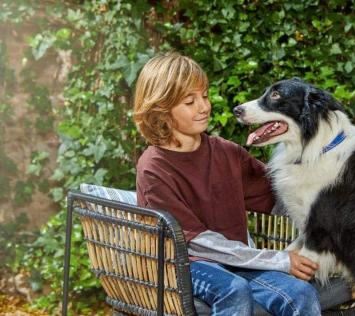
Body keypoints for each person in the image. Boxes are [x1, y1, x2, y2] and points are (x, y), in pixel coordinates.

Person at [133, 52, 322, 315]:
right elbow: (197, 243)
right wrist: (279, 260)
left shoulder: (227, 153)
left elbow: (283, 196)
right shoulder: (154, 167)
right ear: (161, 110)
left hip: (235, 262)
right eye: (190, 101)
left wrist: (333, 183)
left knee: (300, 293)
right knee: (232, 289)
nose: (204, 107)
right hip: (180, 265)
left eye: (205, 96)